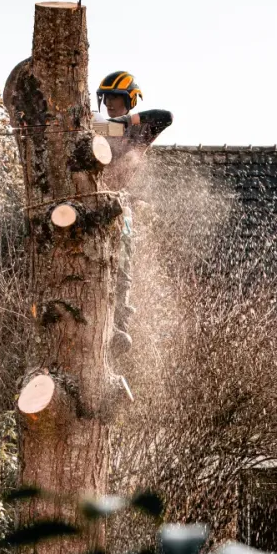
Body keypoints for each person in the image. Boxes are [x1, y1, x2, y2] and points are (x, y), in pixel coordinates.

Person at [92, 71, 173, 357]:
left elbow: (166, 116)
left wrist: (126, 123)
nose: (111, 103)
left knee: (122, 266)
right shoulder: (96, 124)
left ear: (129, 100)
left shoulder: (140, 130)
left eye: (117, 98)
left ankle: (118, 325)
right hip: (90, 203)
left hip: (119, 206)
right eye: (108, 98)